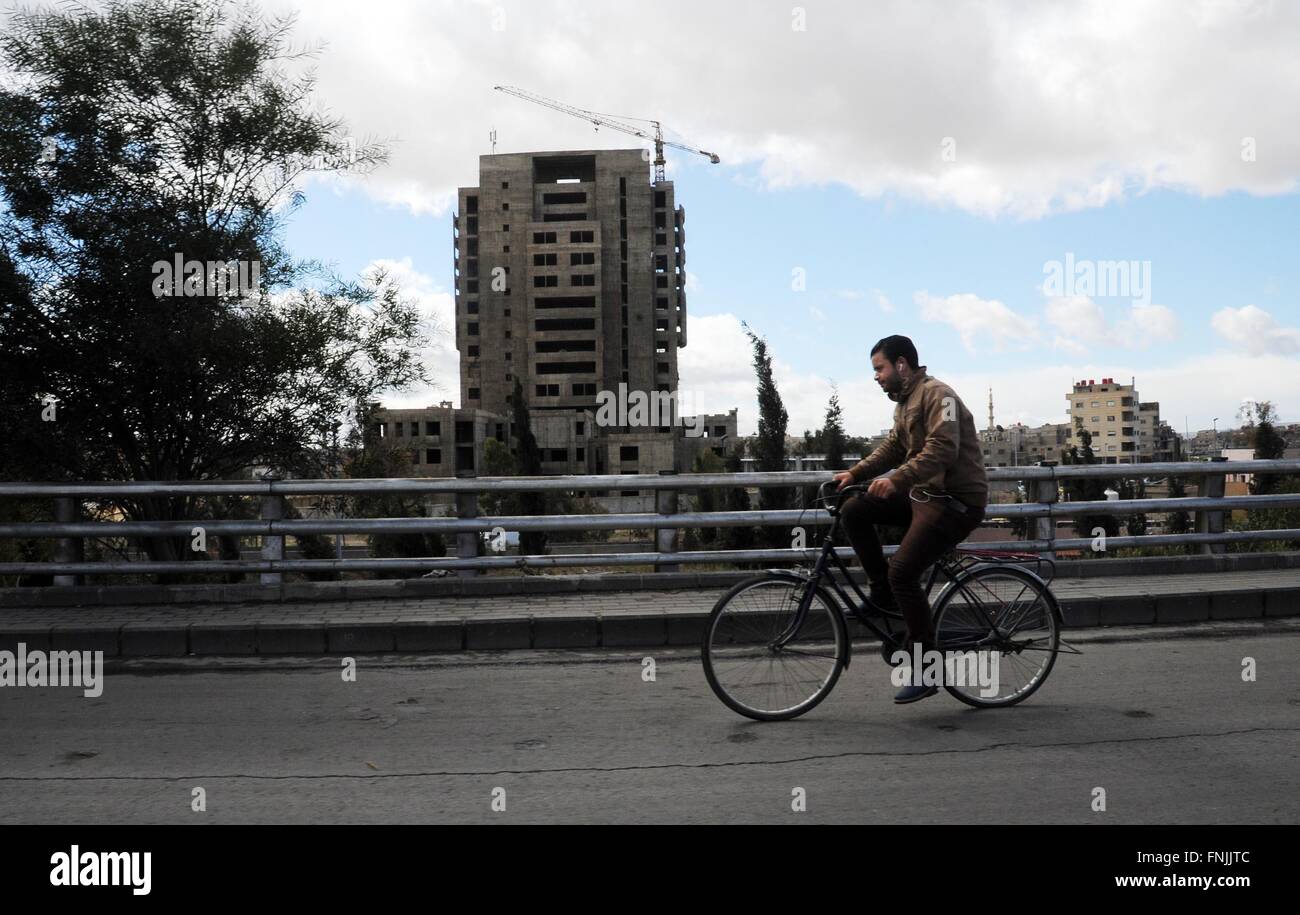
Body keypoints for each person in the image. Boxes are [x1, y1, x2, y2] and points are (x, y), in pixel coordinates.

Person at [831, 335, 989, 704]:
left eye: (879, 368)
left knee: (903, 570)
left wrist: (896, 479)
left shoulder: (940, 396)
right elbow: (893, 447)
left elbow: (943, 450)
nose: (876, 377)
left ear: (901, 364)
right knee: (854, 509)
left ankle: (927, 670)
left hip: (955, 502)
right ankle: (881, 593)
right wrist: (855, 475)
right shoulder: (905, 404)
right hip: (925, 495)